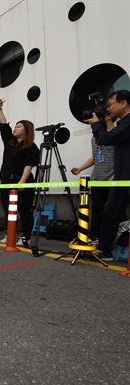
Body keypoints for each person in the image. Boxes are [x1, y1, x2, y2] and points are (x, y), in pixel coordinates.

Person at [88, 90, 130, 261]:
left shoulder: (128, 124)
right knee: (110, 213)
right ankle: (106, 249)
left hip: (125, 178)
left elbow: (105, 139)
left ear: (123, 103)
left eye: (110, 104)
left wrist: (96, 124)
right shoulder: (123, 124)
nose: (108, 109)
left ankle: (107, 249)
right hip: (123, 178)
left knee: (110, 213)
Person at [0, 99, 40, 246]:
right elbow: (3, 126)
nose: (15, 128)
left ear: (26, 130)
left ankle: (26, 237)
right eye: (15, 125)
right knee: (8, 209)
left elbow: (29, 165)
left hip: (24, 182)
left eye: (19, 126)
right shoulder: (10, 142)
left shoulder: (31, 147)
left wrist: (22, 181)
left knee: (24, 210)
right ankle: (10, 234)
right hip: (6, 180)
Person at [71, 113, 116, 243]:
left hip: (112, 181)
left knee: (110, 213)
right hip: (97, 179)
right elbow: (95, 157)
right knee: (96, 211)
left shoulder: (115, 135)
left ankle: (109, 242)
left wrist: (115, 177)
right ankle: (94, 237)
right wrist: (80, 168)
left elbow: (121, 158)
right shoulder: (95, 137)